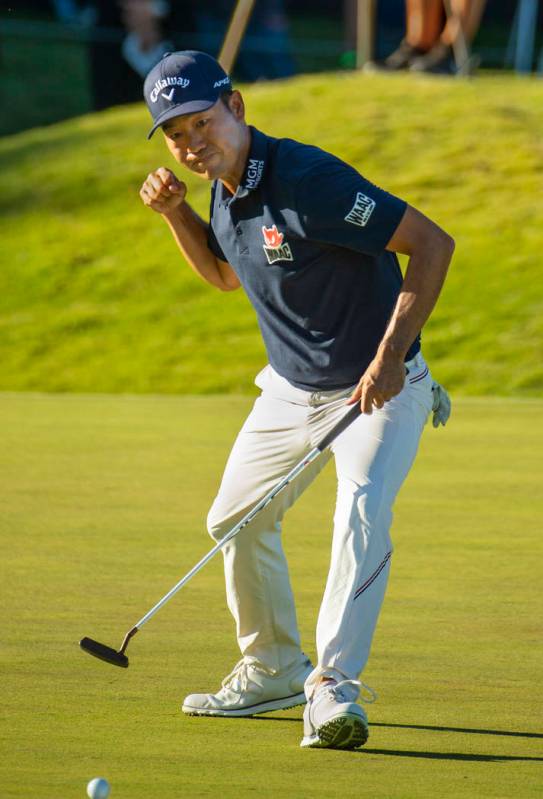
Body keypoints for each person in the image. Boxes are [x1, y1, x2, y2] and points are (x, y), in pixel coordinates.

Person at [139, 50, 454, 750]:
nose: (192, 143)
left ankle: (332, 689)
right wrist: (175, 215)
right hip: (290, 388)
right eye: (176, 133)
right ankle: (274, 666)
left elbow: (431, 244)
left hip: (379, 386)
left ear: (237, 106)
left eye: (202, 122)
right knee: (234, 519)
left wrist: (391, 354)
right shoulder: (221, 185)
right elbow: (225, 275)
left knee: (362, 511)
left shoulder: (307, 179)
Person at [384, 0, 487, 73]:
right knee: (420, 41)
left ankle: (452, 50)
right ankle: (420, 46)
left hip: (456, 44)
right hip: (422, 45)